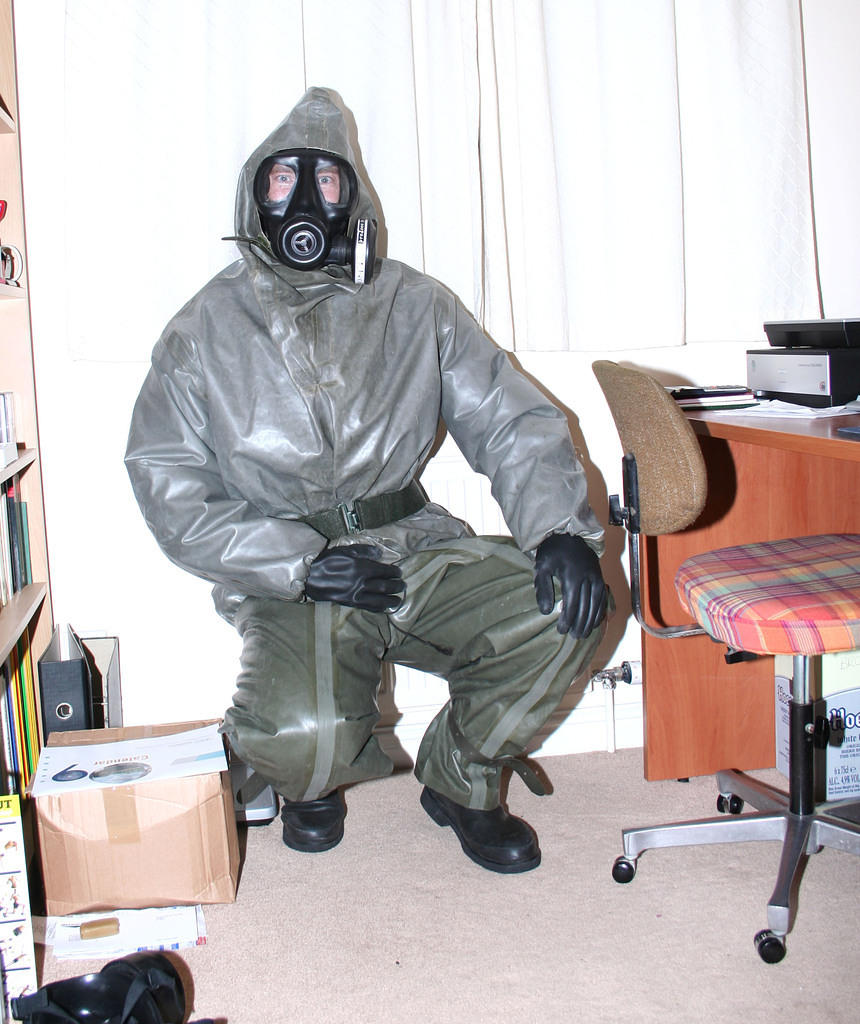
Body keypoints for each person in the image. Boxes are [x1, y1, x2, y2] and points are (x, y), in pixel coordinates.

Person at [125, 87, 608, 874]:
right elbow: (166, 480)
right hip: (292, 574)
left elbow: (509, 418)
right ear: (255, 196)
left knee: (568, 609)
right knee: (299, 739)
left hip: (413, 548)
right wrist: (297, 562)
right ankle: (307, 779)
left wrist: (560, 529)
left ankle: (461, 777)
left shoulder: (414, 305)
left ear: (351, 196)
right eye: (284, 179)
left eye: (325, 179)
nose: (304, 201)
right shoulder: (203, 330)